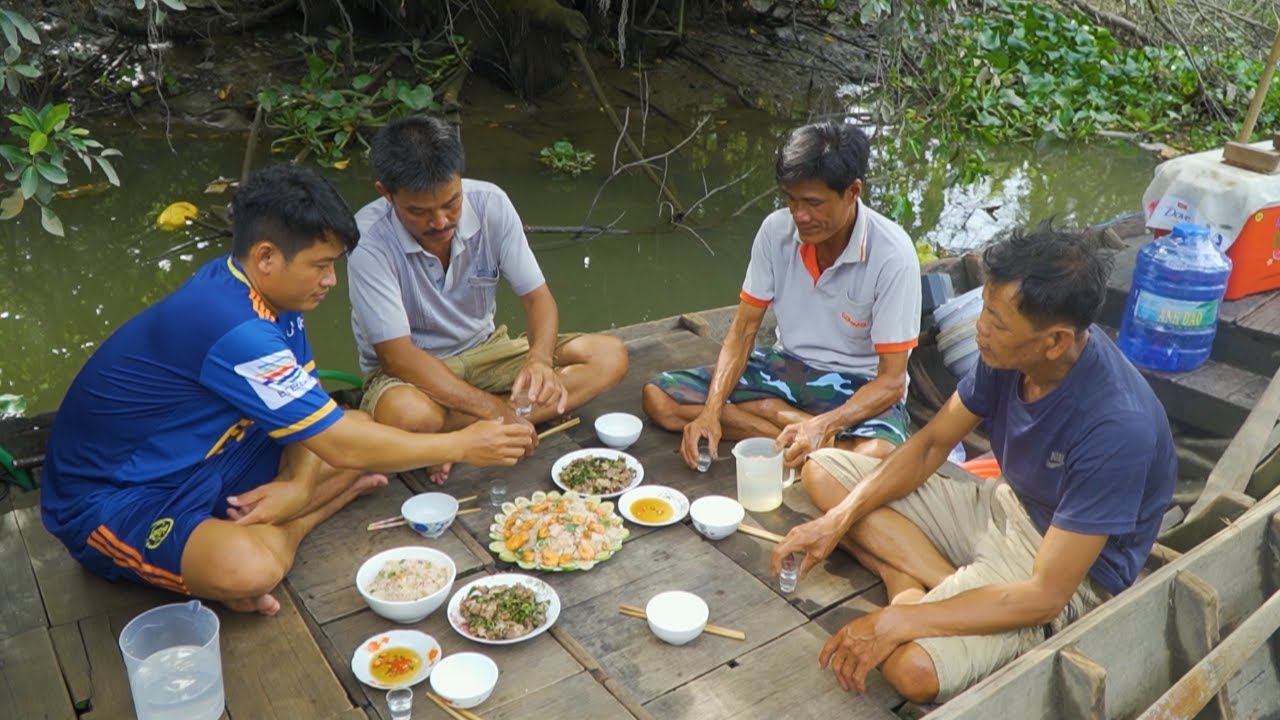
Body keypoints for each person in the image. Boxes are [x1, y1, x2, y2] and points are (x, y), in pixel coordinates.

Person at [40, 165, 534, 616]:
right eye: (320, 266)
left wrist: (298, 485)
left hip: (217, 456)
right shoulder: (231, 325)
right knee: (249, 568)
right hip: (121, 495)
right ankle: (295, 527)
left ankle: (275, 517)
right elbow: (336, 444)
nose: (330, 281)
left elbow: (317, 417)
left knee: (367, 429)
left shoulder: (271, 299)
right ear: (267, 256)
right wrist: (464, 444)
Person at [770, 223, 1177, 703]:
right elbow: (929, 446)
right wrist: (836, 522)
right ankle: (926, 581)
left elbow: (1045, 594)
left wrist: (901, 619)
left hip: (1059, 569)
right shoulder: (1004, 353)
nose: (980, 328)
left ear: (1055, 341)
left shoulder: (1116, 426)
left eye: (998, 322)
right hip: (1002, 502)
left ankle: (926, 592)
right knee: (825, 471)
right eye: (985, 308)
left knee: (910, 667)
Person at [348, 115, 628, 483]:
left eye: (451, 203)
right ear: (386, 193)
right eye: (418, 212)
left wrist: (540, 361)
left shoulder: (491, 203)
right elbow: (396, 356)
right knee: (410, 416)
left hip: (486, 350)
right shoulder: (367, 239)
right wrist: (497, 409)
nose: (440, 222)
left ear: (460, 180)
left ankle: (455, 439)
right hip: (412, 374)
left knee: (609, 356)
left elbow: (537, 299)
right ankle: (477, 432)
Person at [642, 121, 921, 469]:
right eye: (791, 199)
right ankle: (788, 429)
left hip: (857, 385)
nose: (799, 215)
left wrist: (824, 424)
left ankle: (780, 422)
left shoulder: (892, 254)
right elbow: (744, 330)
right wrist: (711, 411)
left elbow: (892, 382)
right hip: (784, 367)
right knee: (660, 399)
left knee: (878, 457)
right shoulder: (776, 231)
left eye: (813, 203)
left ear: (853, 192)